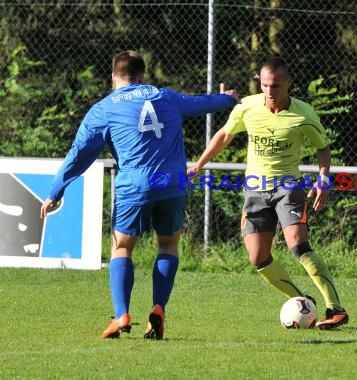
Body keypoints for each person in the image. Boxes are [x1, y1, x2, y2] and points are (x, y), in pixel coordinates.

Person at [40, 50, 238, 339]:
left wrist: (55, 191)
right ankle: (158, 309)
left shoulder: (104, 109)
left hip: (134, 186)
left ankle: (121, 314)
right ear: (142, 75)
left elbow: (78, 154)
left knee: (121, 248)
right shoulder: (164, 96)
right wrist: (227, 99)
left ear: (113, 77)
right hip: (171, 184)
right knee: (168, 244)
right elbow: (201, 103)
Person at [187, 57, 349, 329]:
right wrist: (199, 164)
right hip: (255, 190)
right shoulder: (248, 107)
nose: (270, 92)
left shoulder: (304, 114)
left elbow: (322, 147)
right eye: (264, 86)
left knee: (298, 244)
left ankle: (336, 308)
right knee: (258, 257)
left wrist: (323, 178)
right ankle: (301, 301)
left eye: (275, 86)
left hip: (289, 187)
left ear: (288, 83)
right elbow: (225, 135)